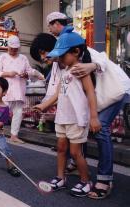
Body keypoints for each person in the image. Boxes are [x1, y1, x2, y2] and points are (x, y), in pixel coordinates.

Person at [46, 12, 130, 198]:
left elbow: (101, 58)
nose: (50, 59)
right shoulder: (64, 61)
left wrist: (91, 66)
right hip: (97, 97)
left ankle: (104, 179)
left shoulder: (79, 50)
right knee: (81, 132)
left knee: (100, 127)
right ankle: (77, 163)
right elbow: (58, 87)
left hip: (115, 91)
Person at [33, 30, 101, 197]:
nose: (60, 59)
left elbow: (91, 93)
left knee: (76, 152)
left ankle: (86, 181)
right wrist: (44, 106)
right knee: (61, 149)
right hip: (62, 117)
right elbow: (58, 94)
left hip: (76, 118)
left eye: (63, 55)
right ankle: (60, 177)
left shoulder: (80, 69)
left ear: (76, 52)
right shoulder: (64, 71)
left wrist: (93, 117)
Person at [0, 35, 44, 144]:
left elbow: (30, 71)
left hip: (19, 90)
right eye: (12, 48)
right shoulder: (3, 57)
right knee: (1, 112)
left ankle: (14, 135)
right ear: (8, 47)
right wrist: (8, 73)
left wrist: (26, 75)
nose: (13, 50)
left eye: (16, 48)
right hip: (6, 90)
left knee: (18, 113)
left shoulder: (23, 58)